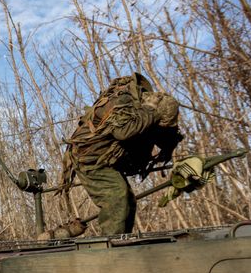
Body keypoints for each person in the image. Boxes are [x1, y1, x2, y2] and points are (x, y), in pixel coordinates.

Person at [61, 72, 183, 235]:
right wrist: (151, 112)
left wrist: (172, 145)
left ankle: (122, 241)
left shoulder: (143, 109)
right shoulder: (125, 102)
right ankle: (110, 249)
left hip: (105, 160)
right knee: (117, 196)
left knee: (128, 201)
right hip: (89, 159)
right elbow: (122, 132)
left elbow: (160, 133)